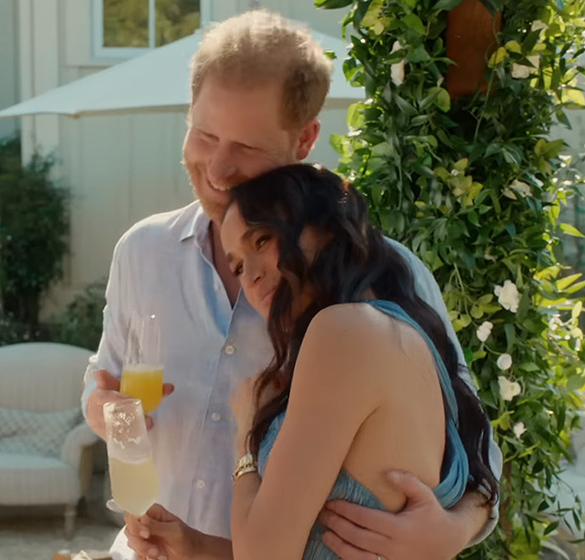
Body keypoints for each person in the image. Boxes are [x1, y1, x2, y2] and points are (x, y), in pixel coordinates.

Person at [81, 10, 502, 560]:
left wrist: (452, 531)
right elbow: (104, 378)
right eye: (204, 134)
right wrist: (104, 408)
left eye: (246, 148)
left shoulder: (378, 275)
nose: (217, 168)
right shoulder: (141, 251)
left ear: (304, 140)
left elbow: (475, 452)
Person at [220, 163, 499, 560]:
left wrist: (245, 437)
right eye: (237, 266)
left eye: (262, 240)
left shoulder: (343, 333)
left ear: (328, 227)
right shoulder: (404, 332)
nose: (250, 276)